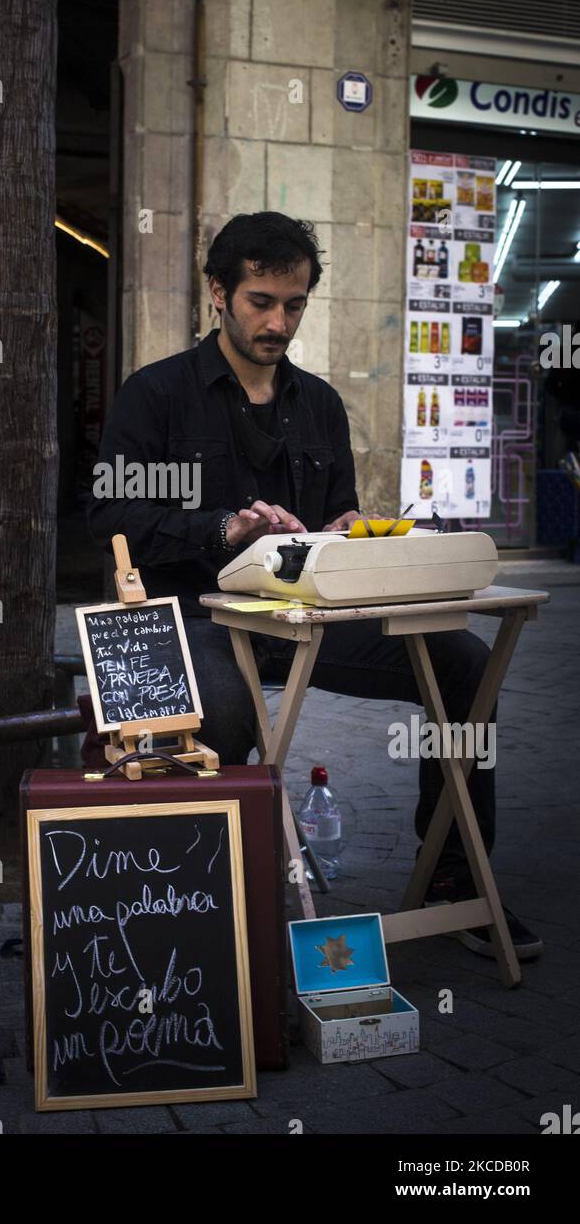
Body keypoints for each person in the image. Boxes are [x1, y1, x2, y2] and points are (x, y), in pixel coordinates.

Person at [88, 211, 542, 961]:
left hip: (309, 616)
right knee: (225, 710)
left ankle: (456, 880)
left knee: (464, 663)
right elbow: (106, 516)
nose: (278, 321)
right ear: (218, 293)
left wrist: (351, 532)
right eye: (260, 301)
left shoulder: (320, 406)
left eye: (293, 304)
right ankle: (223, 920)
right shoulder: (158, 395)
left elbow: (334, 518)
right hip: (196, 620)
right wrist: (223, 527)